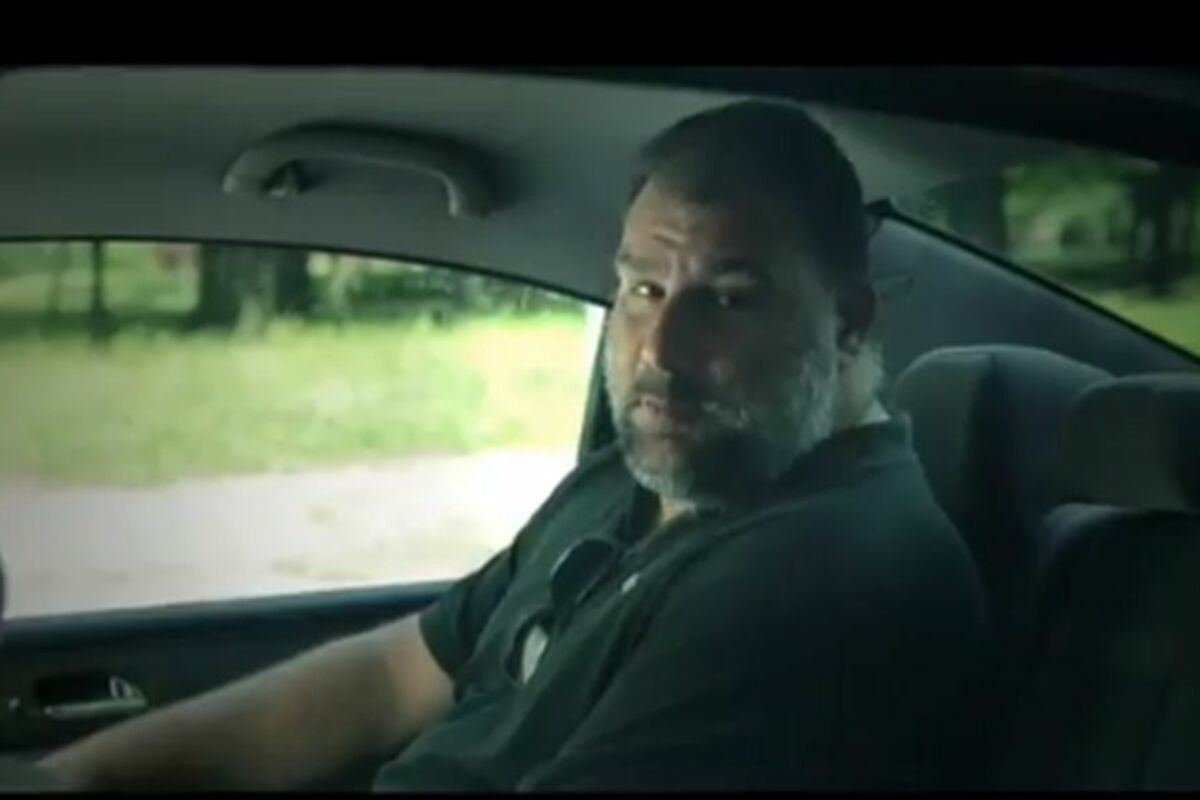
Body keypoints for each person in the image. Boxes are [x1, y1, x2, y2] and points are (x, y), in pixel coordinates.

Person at [38, 100, 989, 791]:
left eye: (731, 299)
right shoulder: (643, 478)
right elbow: (392, 679)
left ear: (849, 323)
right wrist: (67, 779)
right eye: (643, 289)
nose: (660, 351)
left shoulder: (825, 574)